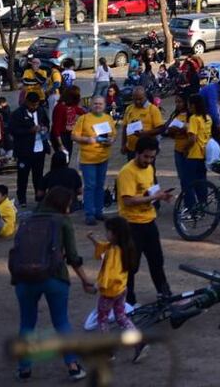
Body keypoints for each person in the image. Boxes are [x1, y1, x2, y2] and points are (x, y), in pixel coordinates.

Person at [12, 187, 94, 382]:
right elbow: (73, 257)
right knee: (61, 322)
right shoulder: (62, 222)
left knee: (27, 323)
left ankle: (24, 368)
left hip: (24, 277)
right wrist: (85, 281)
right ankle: (73, 366)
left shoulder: (27, 220)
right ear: (62, 204)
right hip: (54, 277)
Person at [117, 136, 173, 305]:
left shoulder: (149, 169)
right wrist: (154, 197)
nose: (149, 160)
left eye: (152, 157)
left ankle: (164, 293)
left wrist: (160, 196)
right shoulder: (127, 172)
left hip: (149, 222)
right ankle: (129, 301)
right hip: (131, 225)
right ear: (137, 153)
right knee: (131, 266)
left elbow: (148, 192)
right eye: (146, 157)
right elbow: (128, 200)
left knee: (157, 260)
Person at [87, 217, 149, 361]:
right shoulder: (125, 247)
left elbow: (109, 273)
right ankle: (139, 343)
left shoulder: (112, 252)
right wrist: (94, 240)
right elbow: (104, 246)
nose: (106, 234)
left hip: (109, 292)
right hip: (121, 289)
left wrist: (97, 286)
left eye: (108, 231)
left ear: (115, 234)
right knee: (121, 317)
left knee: (102, 319)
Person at [72, 96, 115, 225]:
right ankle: (89, 213)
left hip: (103, 157)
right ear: (91, 105)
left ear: (104, 105)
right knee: (90, 186)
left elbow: (113, 135)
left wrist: (111, 141)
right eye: (95, 103)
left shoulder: (108, 118)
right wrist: (87, 140)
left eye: (100, 104)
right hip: (88, 159)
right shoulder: (84, 119)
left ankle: (99, 211)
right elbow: (74, 135)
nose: (97, 106)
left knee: (100, 185)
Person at [10, 92, 51, 208]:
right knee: (23, 176)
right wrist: (30, 131)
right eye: (32, 105)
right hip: (24, 150)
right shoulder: (17, 114)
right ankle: (22, 198)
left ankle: (39, 197)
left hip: (39, 149)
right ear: (27, 102)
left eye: (36, 105)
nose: (34, 107)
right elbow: (13, 130)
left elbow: (47, 122)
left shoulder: (41, 111)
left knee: (38, 175)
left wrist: (45, 128)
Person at [181, 94, 212, 209]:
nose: (188, 107)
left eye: (189, 104)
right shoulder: (207, 118)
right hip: (204, 153)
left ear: (193, 105)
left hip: (194, 154)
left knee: (187, 182)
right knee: (201, 181)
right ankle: (203, 204)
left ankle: (191, 207)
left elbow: (192, 139)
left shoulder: (194, 118)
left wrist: (185, 149)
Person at [121, 86, 164, 160]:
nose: (138, 101)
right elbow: (125, 127)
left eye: (140, 99)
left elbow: (161, 129)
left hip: (147, 151)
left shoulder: (153, 109)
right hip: (131, 149)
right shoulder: (129, 108)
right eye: (135, 99)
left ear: (145, 97)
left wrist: (145, 133)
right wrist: (123, 144)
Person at [50, 85, 86, 161]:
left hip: (68, 135)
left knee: (67, 157)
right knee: (63, 159)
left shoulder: (72, 106)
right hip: (60, 136)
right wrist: (60, 145)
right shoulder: (60, 107)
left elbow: (83, 112)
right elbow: (56, 128)